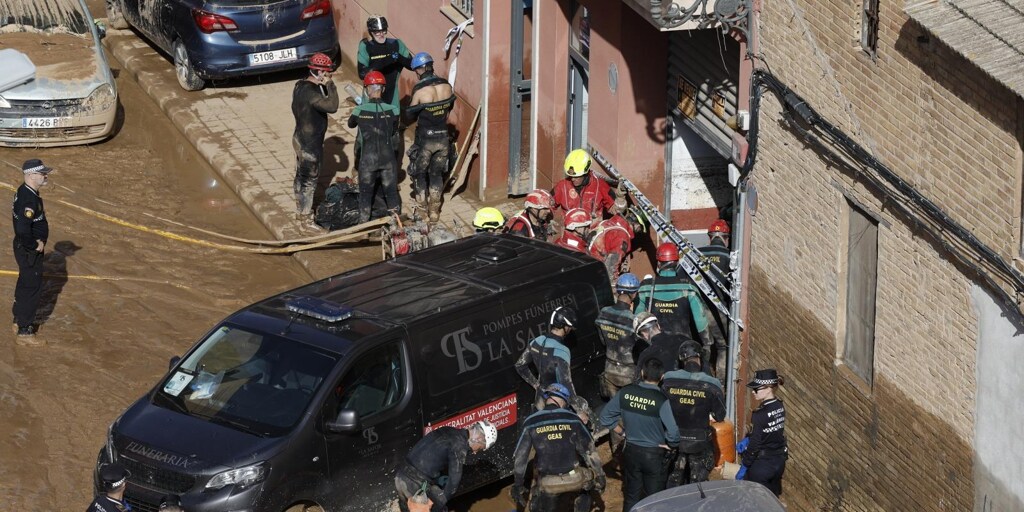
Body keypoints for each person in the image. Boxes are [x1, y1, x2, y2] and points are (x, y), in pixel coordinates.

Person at [598, 358, 680, 512]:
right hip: (653, 455)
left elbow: (605, 417)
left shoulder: (626, 392)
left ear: (642, 373)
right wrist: (671, 444)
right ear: (662, 377)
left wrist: (622, 433)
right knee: (654, 499)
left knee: (631, 496)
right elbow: (674, 431)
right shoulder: (661, 400)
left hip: (631, 452)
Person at [512, 383, 605, 512]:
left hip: (549, 482)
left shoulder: (530, 422)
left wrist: (518, 484)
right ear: (564, 401)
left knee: (539, 499)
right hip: (574, 478)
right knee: (588, 480)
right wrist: (600, 475)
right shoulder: (573, 419)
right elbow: (590, 450)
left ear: (547, 398)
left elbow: (520, 457)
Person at [635, 242, 714, 373]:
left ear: (658, 263)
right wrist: (707, 344)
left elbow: (638, 319)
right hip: (682, 347)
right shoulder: (688, 287)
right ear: (677, 263)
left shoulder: (645, 287)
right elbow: (701, 320)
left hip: (655, 346)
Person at [394, 421, 498, 512]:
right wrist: (437, 506)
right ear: (479, 438)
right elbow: (453, 483)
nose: (475, 452)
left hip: (400, 477)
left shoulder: (448, 430)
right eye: (480, 448)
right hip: (414, 484)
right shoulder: (459, 446)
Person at [662, 341, 726, 487]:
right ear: (700, 358)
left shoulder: (668, 379)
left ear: (681, 359)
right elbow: (720, 416)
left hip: (674, 439)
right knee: (698, 485)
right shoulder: (713, 384)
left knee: (672, 482)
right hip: (699, 441)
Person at [595, 273, 641, 457]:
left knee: (614, 415)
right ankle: (629, 453)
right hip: (628, 374)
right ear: (634, 294)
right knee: (631, 415)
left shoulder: (603, 313)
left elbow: (603, 341)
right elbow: (639, 349)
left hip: (610, 370)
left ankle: (616, 454)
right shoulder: (633, 320)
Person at [406, 52, 455, 222]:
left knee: (420, 174)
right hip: (443, 138)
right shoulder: (447, 86)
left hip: (425, 139)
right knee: (436, 175)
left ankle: (422, 212)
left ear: (419, 70)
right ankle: (435, 211)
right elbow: (450, 107)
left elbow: (410, 114)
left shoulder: (420, 90)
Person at [514, 306, 590, 417]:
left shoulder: (536, 341)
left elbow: (520, 365)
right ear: (565, 327)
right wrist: (579, 410)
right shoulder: (562, 350)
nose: (570, 329)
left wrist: (536, 384)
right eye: (569, 327)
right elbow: (566, 382)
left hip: (540, 399)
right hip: (557, 401)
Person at [291, 52, 339, 225]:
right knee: (309, 180)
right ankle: (304, 216)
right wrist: (330, 85)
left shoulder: (299, 86)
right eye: (327, 73)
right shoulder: (313, 94)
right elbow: (332, 106)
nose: (330, 75)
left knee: (300, 175)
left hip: (298, 137)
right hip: (310, 144)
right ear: (319, 73)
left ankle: (299, 205)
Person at [347, 70, 401, 222]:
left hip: (368, 160)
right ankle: (396, 225)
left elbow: (350, 124)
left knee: (365, 194)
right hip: (388, 159)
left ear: (366, 89)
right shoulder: (394, 110)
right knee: (391, 192)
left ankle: (363, 228)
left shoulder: (359, 110)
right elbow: (394, 129)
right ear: (383, 89)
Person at [12, 159, 51, 343]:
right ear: (30, 175)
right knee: (31, 288)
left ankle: (18, 318)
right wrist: (34, 245)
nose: (45, 176)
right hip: (29, 250)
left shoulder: (25, 192)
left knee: (24, 282)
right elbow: (22, 229)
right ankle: (25, 331)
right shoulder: (29, 199)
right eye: (42, 173)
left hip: (23, 248)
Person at [738, 369, 788, 496]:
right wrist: (750, 437)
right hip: (778, 462)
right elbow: (772, 432)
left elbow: (755, 446)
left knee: (756, 501)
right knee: (772, 500)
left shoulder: (759, 415)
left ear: (769, 388)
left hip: (762, 466)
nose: (753, 392)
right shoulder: (779, 406)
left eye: (756, 389)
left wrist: (745, 465)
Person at [698, 218, 732, 379]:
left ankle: (698, 376)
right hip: (718, 310)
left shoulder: (697, 253)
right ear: (727, 239)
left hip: (697, 308)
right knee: (723, 346)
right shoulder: (729, 256)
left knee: (700, 345)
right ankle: (721, 382)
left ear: (710, 237)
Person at [357, 15, 413, 110]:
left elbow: (412, 65)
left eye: (383, 31)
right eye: (377, 32)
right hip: (371, 92)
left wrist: (398, 57)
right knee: (369, 122)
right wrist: (388, 59)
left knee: (393, 122)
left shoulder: (397, 44)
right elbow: (362, 73)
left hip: (391, 92)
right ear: (371, 32)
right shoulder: (365, 46)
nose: (381, 34)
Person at [552, 149, 614, 222]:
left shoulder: (600, 185)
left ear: (585, 173)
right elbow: (547, 204)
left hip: (594, 231)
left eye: (576, 176)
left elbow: (616, 210)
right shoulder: (562, 186)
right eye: (570, 176)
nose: (572, 179)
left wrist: (621, 199)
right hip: (570, 231)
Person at [588, 205, 645, 282]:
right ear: (638, 226)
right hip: (594, 272)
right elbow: (611, 267)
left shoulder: (606, 222)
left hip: (584, 262)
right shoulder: (622, 236)